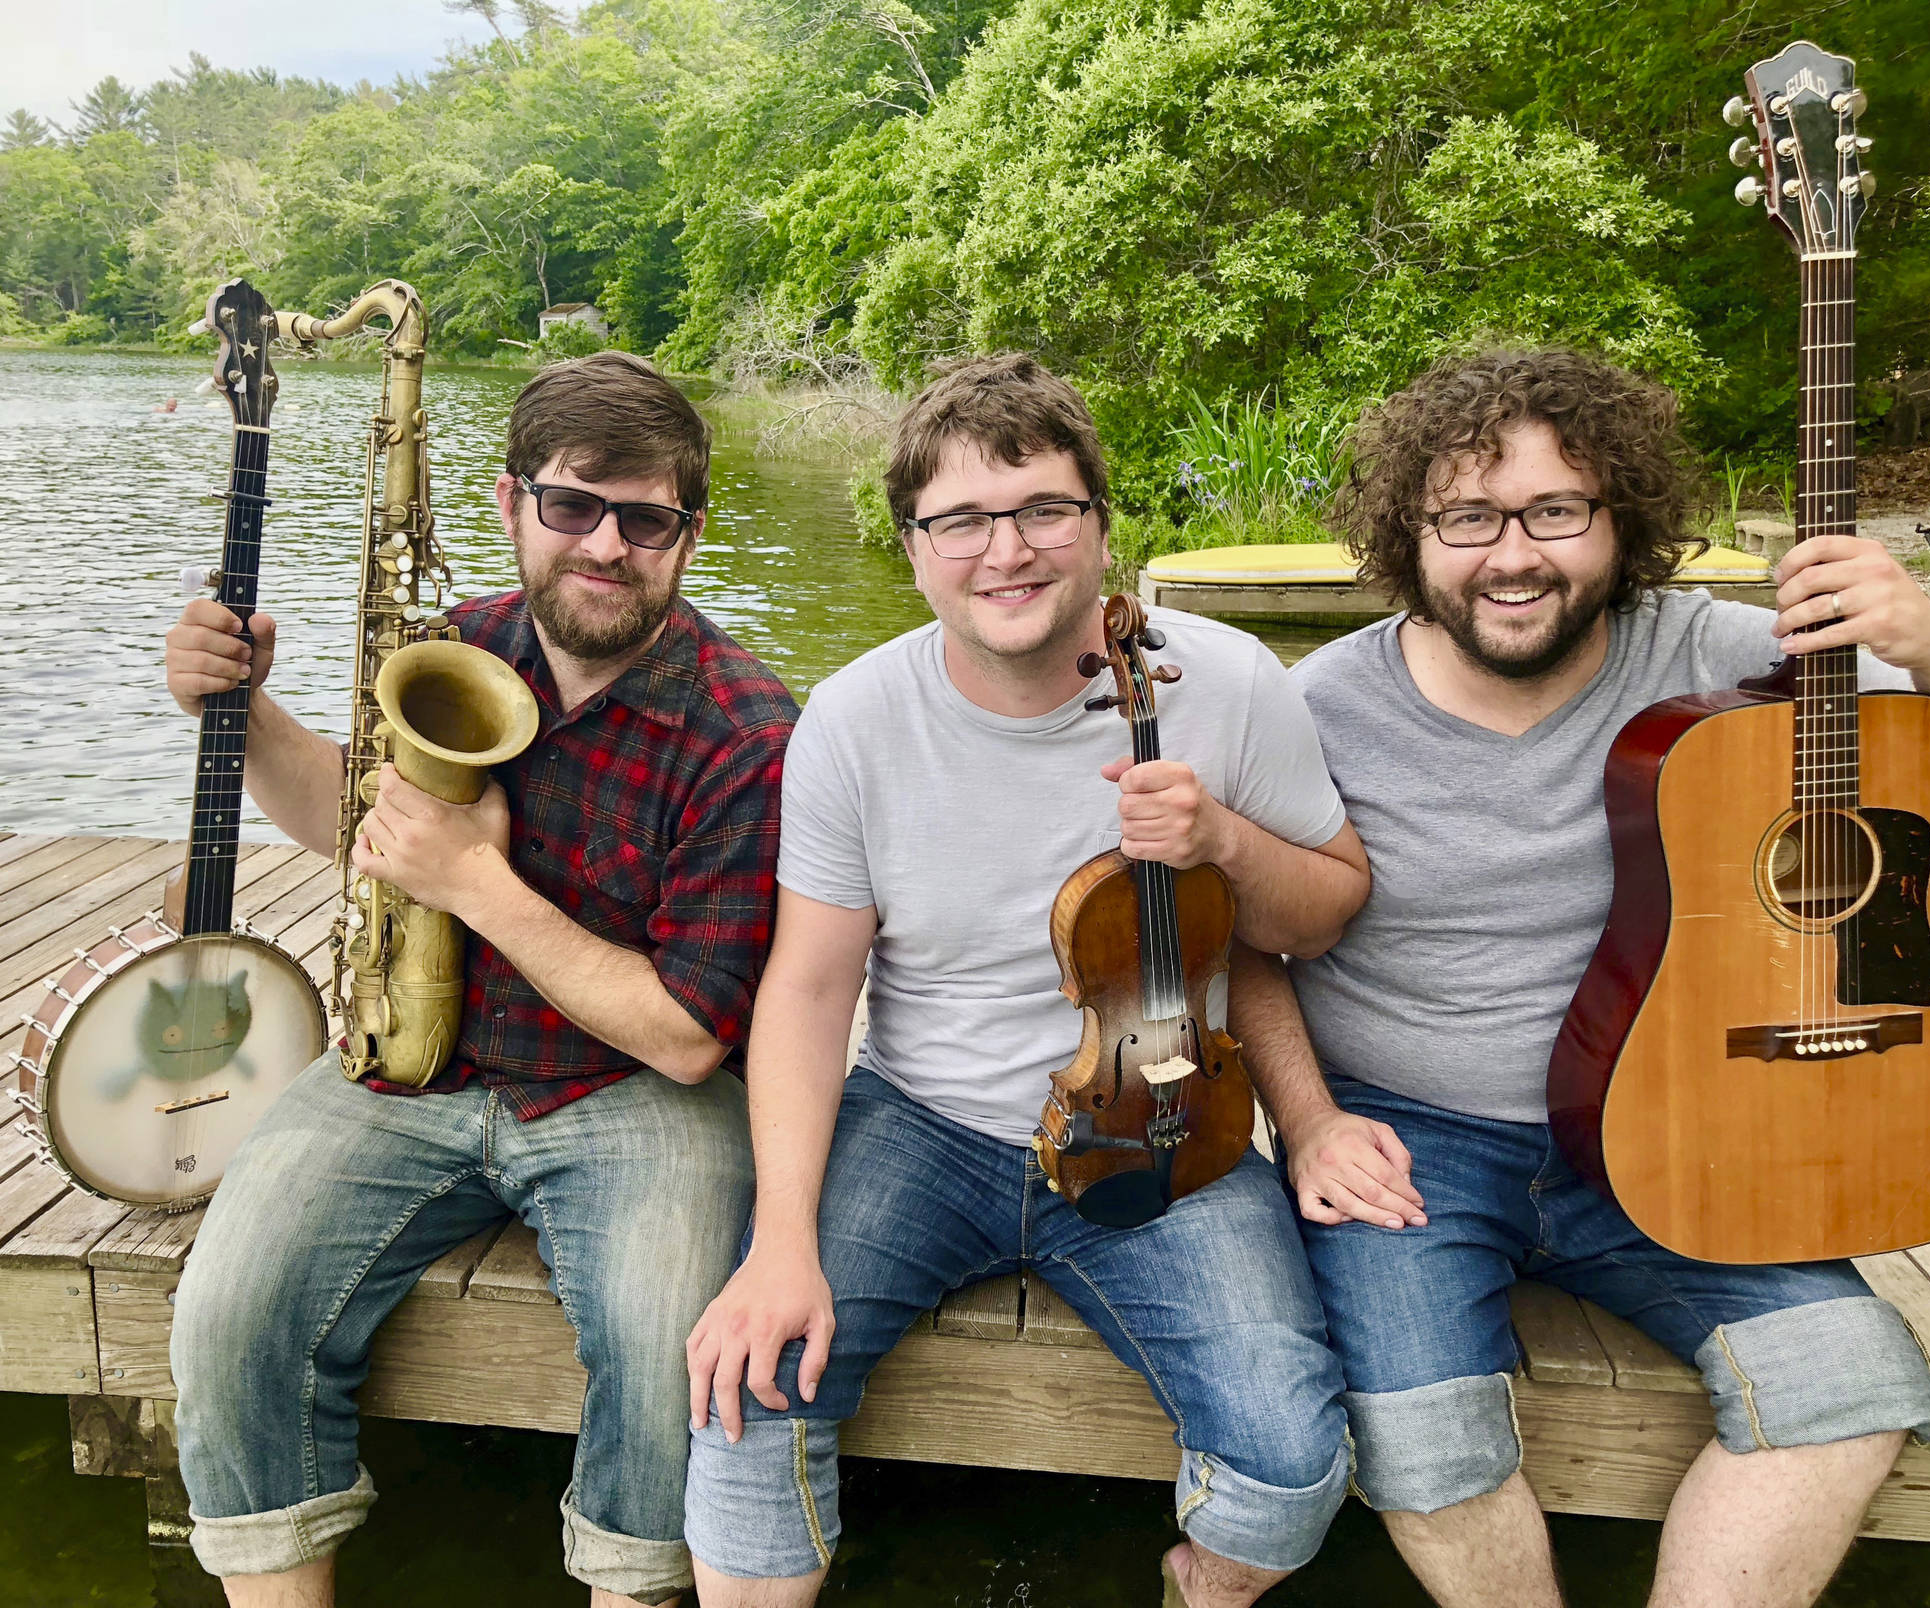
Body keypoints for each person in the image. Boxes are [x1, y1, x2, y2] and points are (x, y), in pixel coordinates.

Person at [1233, 345, 1930, 1608]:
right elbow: (1249, 940)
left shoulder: (1726, 654)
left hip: (1687, 1123)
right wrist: (1310, 1121)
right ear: (1411, 532)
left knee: (1849, 1385)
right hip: (1411, 1143)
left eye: (1556, 510)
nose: (1512, 554)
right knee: (1424, 1434)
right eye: (1467, 516)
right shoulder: (1317, 705)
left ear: (1621, 522)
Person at [681, 353, 1376, 1608]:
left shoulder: (1221, 684)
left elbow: (1321, 914)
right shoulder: (850, 721)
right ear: (912, 548)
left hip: (1162, 1119)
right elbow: (808, 991)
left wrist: (1223, 841)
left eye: (1044, 509)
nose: (1006, 550)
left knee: (1289, 1457)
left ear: (1101, 527)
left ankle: (1194, 1582)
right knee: (751, 1396)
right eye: (961, 520)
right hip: (921, 1123)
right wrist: (778, 1238)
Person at [162, 351, 798, 1608]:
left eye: (644, 518)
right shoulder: (454, 644)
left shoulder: (749, 731)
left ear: (688, 535)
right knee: (226, 1311)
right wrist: (240, 709)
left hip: (632, 1094)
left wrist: (482, 890)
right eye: (571, 506)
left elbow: (685, 1037)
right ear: (511, 505)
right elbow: (353, 823)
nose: (605, 545)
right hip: (413, 1065)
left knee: (665, 1350)